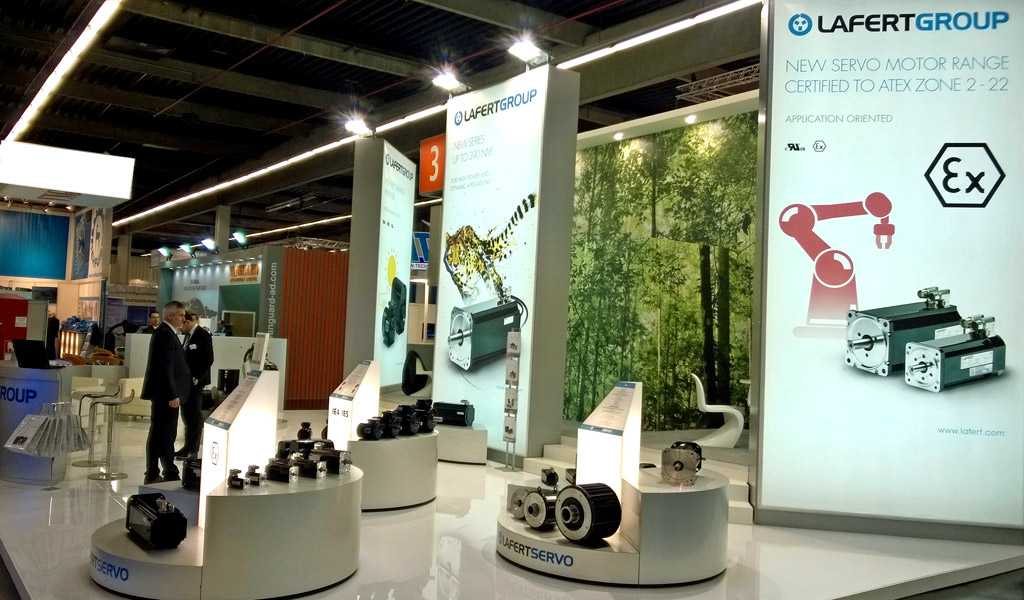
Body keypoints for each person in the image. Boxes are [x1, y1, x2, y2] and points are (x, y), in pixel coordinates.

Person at [140, 301, 190, 484]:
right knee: (165, 434)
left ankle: (154, 471)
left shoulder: (166, 333)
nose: (183, 319)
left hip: (164, 394)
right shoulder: (165, 334)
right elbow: (165, 367)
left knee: (159, 433)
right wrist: (172, 394)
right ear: (170, 315)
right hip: (166, 396)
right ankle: (169, 471)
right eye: (181, 315)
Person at [176, 311, 213, 459]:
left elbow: (208, 358)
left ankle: (193, 449)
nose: (180, 327)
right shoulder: (188, 336)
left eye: (182, 323)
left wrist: (198, 376)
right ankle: (187, 446)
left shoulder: (202, 335)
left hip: (195, 382)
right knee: (187, 414)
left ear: (188, 321)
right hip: (186, 381)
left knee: (194, 415)